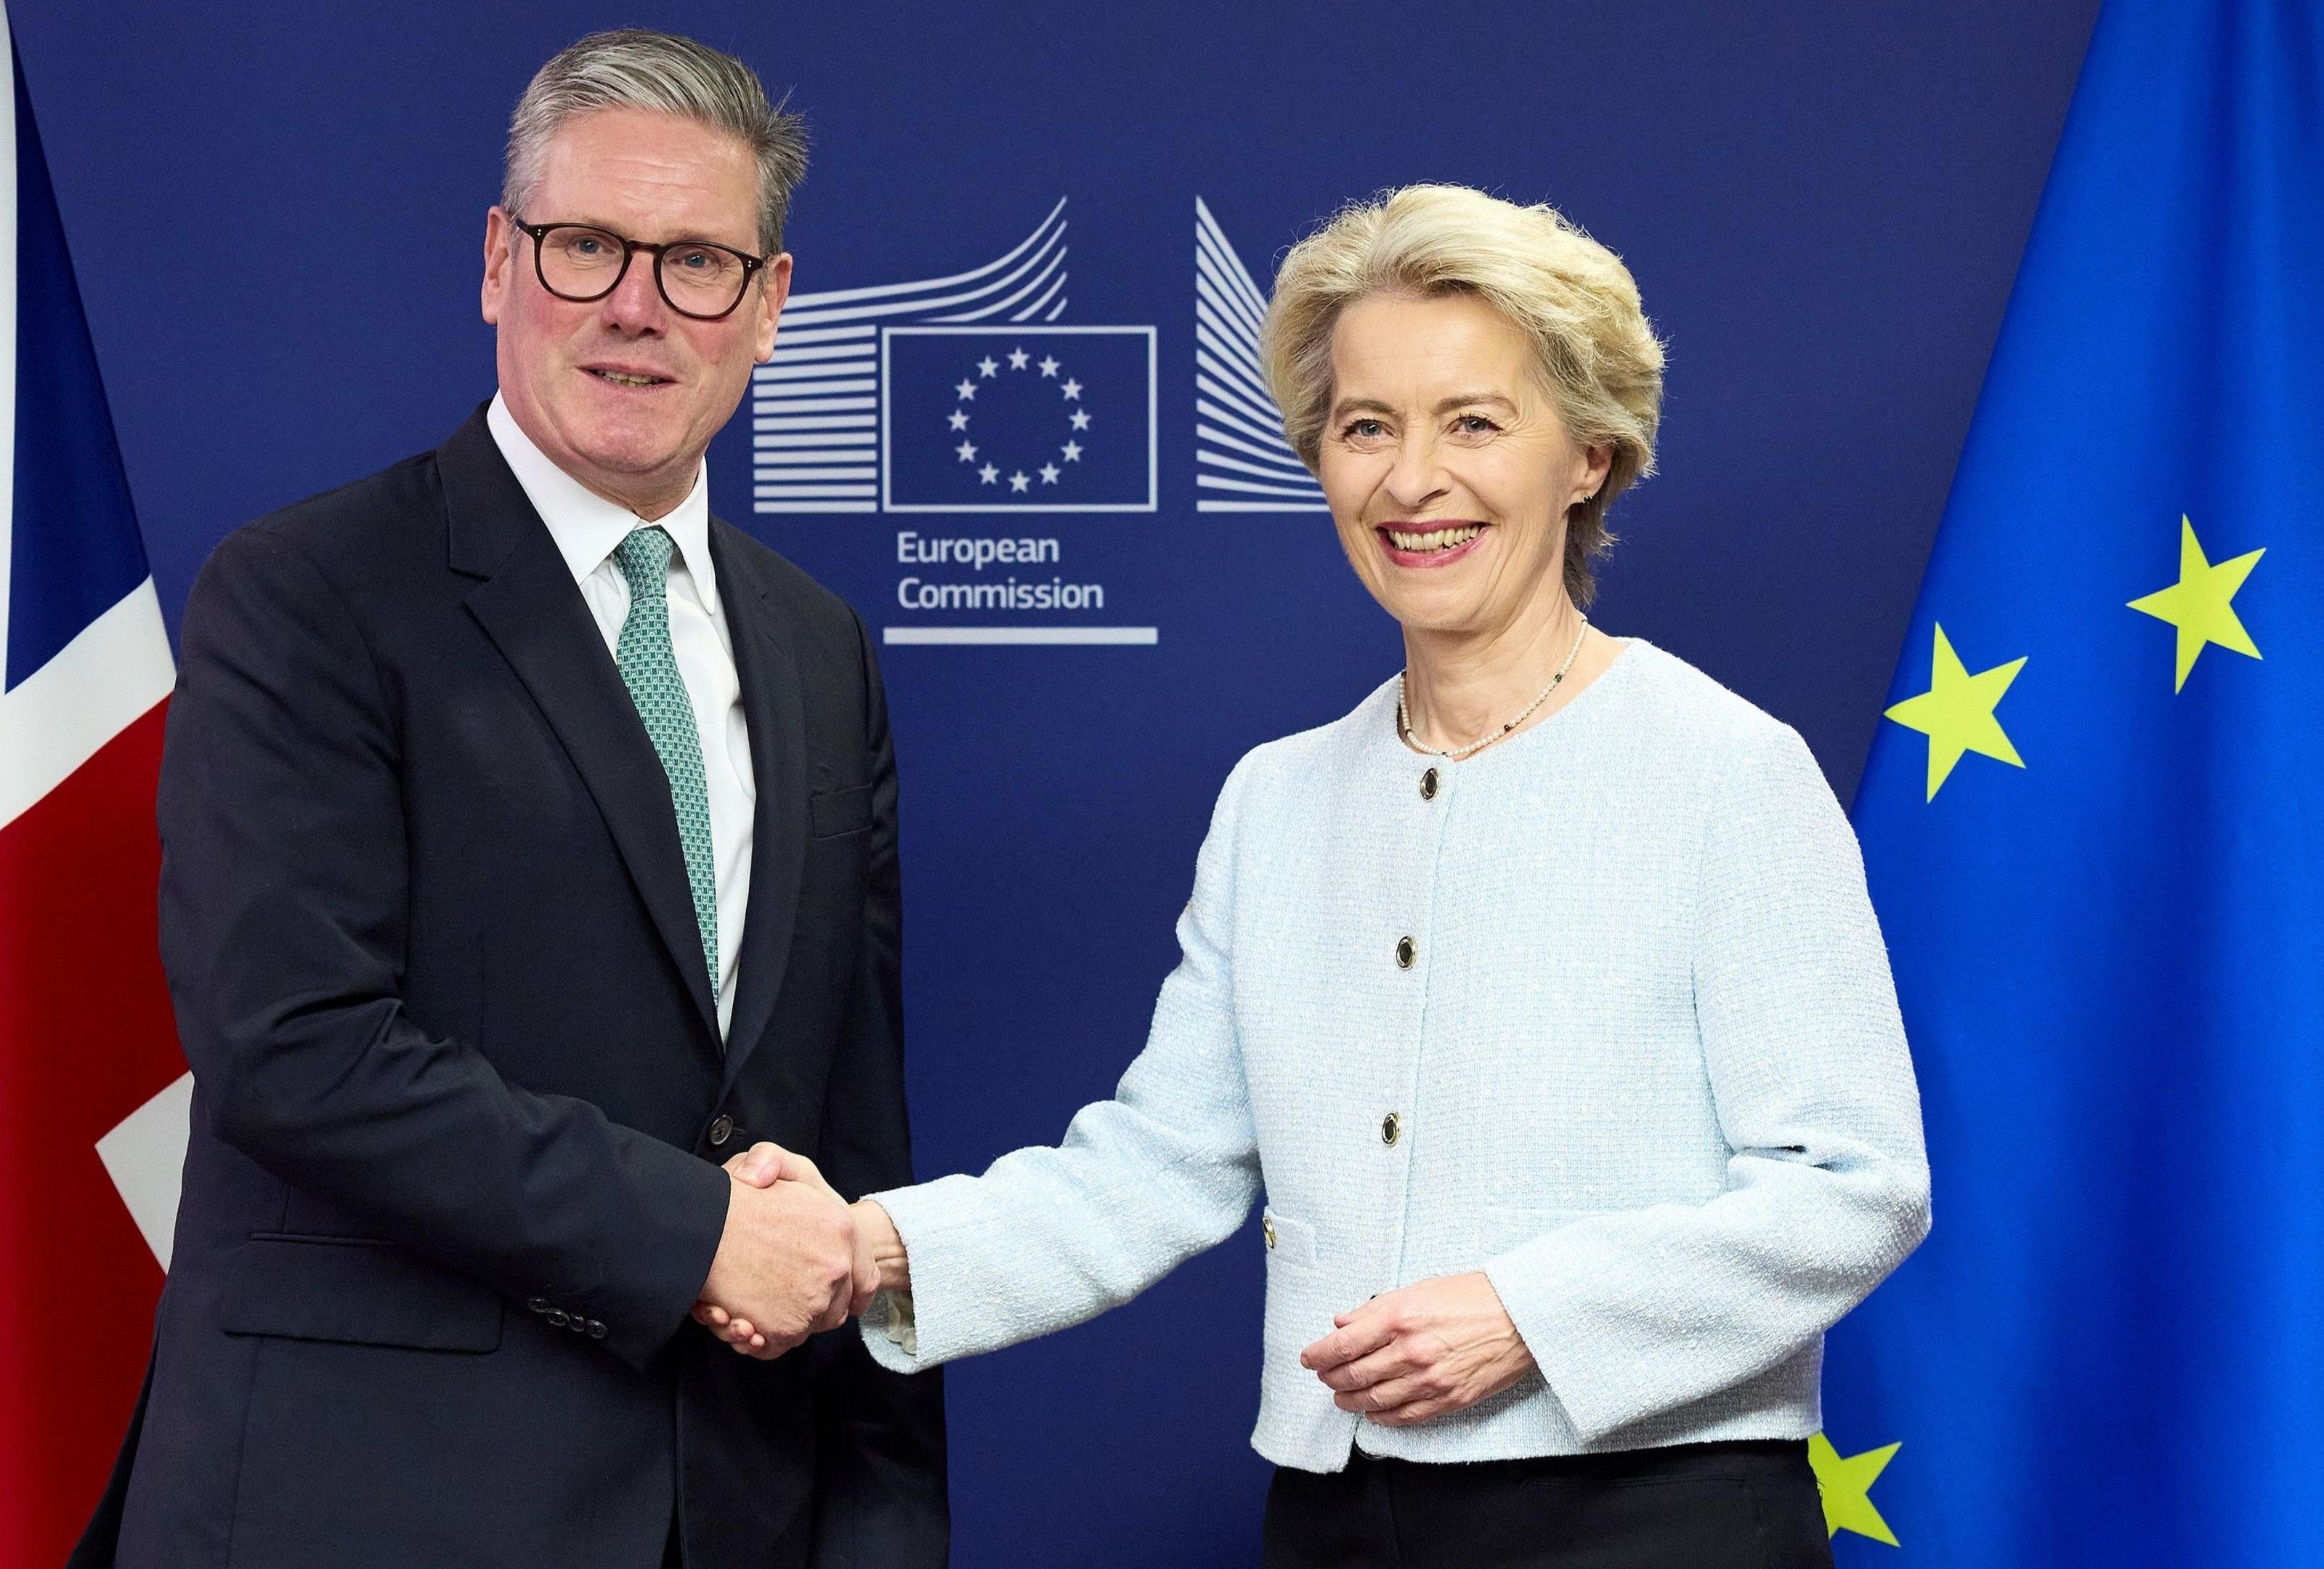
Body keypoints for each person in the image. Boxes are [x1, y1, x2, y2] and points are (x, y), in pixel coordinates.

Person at [705, 184, 1930, 1567]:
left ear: (1589, 453)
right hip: (1336, 1521)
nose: (1412, 482)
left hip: (1660, 1519)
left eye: (1474, 421)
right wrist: (870, 1247)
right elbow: (1156, 1168)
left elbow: (1855, 1184)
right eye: (1366, 427)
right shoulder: (1276, 800)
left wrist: (1535, 1313)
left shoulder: (1727, 770)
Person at [73, 30, 944, 1569]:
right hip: (366, 1510)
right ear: (497, 261)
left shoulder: (820, 651)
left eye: (696, 262)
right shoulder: (310, 596)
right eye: (587, 243)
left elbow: (848, 1139)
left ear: (771, 305)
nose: (634, 304)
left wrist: (882, 1528)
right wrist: (694, 1238)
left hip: (734, 1508)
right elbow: (297, 1044)